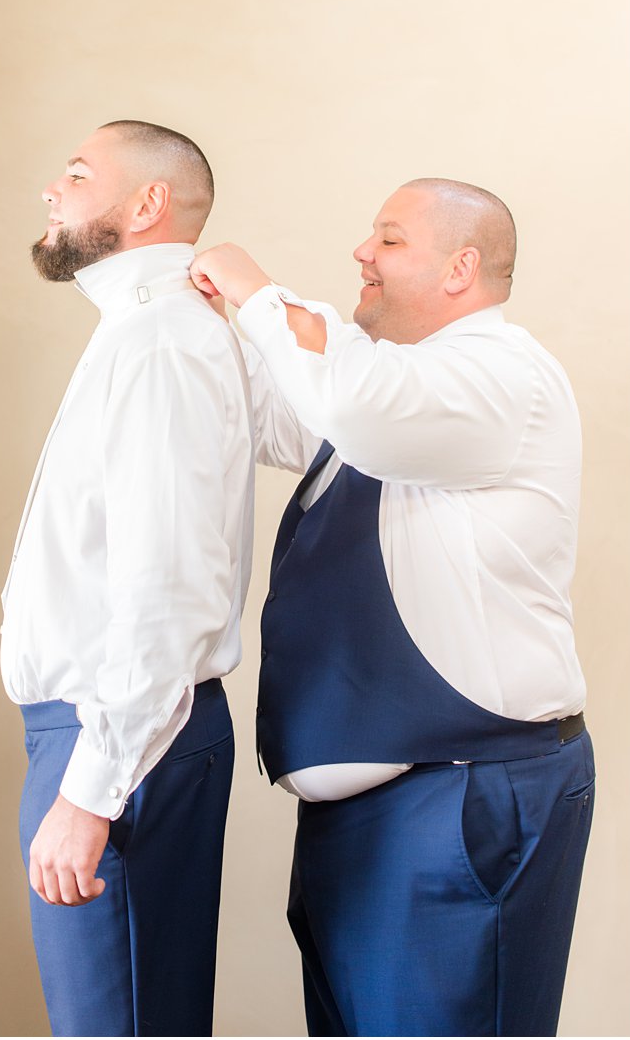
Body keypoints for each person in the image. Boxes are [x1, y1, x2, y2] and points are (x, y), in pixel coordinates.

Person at [190, 179, 592, 1037]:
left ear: (462, 267)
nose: (361, 254)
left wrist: (258, 290)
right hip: (377, 815)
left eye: (391, 239)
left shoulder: (499, 375)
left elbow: (349, 406)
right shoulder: (410, 386)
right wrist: (197, 325)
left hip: (458, 799)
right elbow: (278, 414)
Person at [0, 120, 255, 1037]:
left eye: (75, 173)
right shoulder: (151, 333)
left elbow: (168, 588)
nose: (50, 191)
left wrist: (90, 791)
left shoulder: (161, 342)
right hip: (101, 733)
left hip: (119, 738)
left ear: (147, 203)